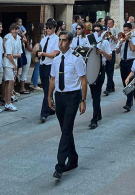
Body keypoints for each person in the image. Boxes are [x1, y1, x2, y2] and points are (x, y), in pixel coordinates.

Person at [48, 31, 87, 181]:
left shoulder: (77, 59)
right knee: (66, 129)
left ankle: (59, 166)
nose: (60, 43)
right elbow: (52, 79)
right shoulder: (56, 59)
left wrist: (82, 100)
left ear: (70, 42)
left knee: (66, 129)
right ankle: (73, 158)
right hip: (60, 96)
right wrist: (49, 96)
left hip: (72, 96)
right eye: (60, 40)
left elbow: (83, 80)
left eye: (64, 40)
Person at [87, 24, 112, 129]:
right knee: (93, 95)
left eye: (98, 30)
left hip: (100, 69)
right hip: (91, 69)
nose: (96, 32)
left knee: (96, 95)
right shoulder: (88, 41)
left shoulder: (105, 42)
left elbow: (110, 57)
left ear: (101, 32)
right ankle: (98, 113)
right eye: (94, 30)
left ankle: (94, 119)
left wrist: (102, 52)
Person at [38, 20, 60, 123]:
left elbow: (55, 54)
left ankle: (44, 113)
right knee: (46, 88)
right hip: (43, 64)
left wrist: (43, 53)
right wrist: (39, 53)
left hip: (51, 65)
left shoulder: (56, 39)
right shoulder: (44, 39)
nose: (48, 30)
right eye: (46, 28)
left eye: (50, 28)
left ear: (54, 29)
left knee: (48, 89)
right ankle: (51, 107)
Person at [116, 23, 135, 111]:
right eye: (124, 30)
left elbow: (133, 49)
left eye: (126, 30)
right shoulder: (121, 39)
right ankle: (130, 96)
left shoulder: (134, 39)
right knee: (124, 82)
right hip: (123, 62)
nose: (125, 32)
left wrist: (129, 40)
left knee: (129, 82)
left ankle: (129, 102)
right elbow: (117, 52)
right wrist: (120, 43)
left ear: (130, 30)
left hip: (131, 62)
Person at [3, 24, 22, 111]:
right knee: (9, 82)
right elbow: (8, 55)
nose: (15, 31)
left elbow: (19, 53)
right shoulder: (8, 39)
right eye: (13, 29)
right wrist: (14, 64)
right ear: (11, 30)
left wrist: (15, 57)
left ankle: (8, 101)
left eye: (16, 29)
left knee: (11, 82)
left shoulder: (18, 39)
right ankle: (8, 102)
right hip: (8, 64)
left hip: (14, 63)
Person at [103, 18, 118, 95]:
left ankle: (108, 88)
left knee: (110, 70)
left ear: (113, 24)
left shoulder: (116, 31)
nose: (109, 25)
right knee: (107, 71)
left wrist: (112, 36)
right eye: (108, 24)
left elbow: (118, 41)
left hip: (112, 52)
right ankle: (112, 85)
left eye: (110, 23)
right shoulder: (105, 32)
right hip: (105, 53)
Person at [19, 23, 34, 94]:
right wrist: (35, 51)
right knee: (25, 71)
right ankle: (22, 87)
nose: (33, 27)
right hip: (27, 54)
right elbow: (28, 46)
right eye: (32, 26)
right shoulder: (27, 36)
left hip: (28, 54)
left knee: (25, 71)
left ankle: (23, 86)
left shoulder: (28, 36)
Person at [30, 23, 45, 91]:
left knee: (36, 67)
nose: (45, 28)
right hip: (39, 52)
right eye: (44, 27)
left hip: (36, 51)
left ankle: (33, 81)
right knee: (37, 68)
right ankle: (35, 84)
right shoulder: (41, 35)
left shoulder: (36, 34)